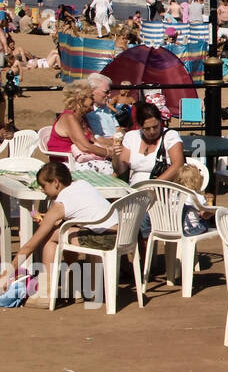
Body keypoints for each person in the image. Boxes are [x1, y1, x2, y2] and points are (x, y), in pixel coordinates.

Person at [0, 161, 118, 306]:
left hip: (105, 238)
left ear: (55, 182)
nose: (42, 190)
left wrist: (8, 273)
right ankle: (74, 289)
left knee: (49, 237)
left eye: (43, 186)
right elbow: (80, 214)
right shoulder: (82, 184)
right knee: (63, 231)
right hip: (123, 234)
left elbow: (31, 245)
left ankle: (45, 294)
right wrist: (51, 218)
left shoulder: (60, 203)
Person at [46, 81, 117, 168]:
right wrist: (109, 153)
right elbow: (85, 147)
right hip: (66, 164)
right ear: (80, 100)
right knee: (113, 167)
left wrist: (110, 148)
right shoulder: (69, 118)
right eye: (91, 97)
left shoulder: (81, 117)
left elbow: (94, 141)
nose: (93, 100)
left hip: (82, 159)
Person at [112, 102, 184, 185]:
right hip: (134, 188)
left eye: (155, 127)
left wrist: (151, 184)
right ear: (139, 126)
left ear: (160, 121)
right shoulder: (131, 137)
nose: (152, 132)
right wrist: (116, 156)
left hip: (161, 188)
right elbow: (121, 171)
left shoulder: (170, 136)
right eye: (147, 128)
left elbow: (178, 165)